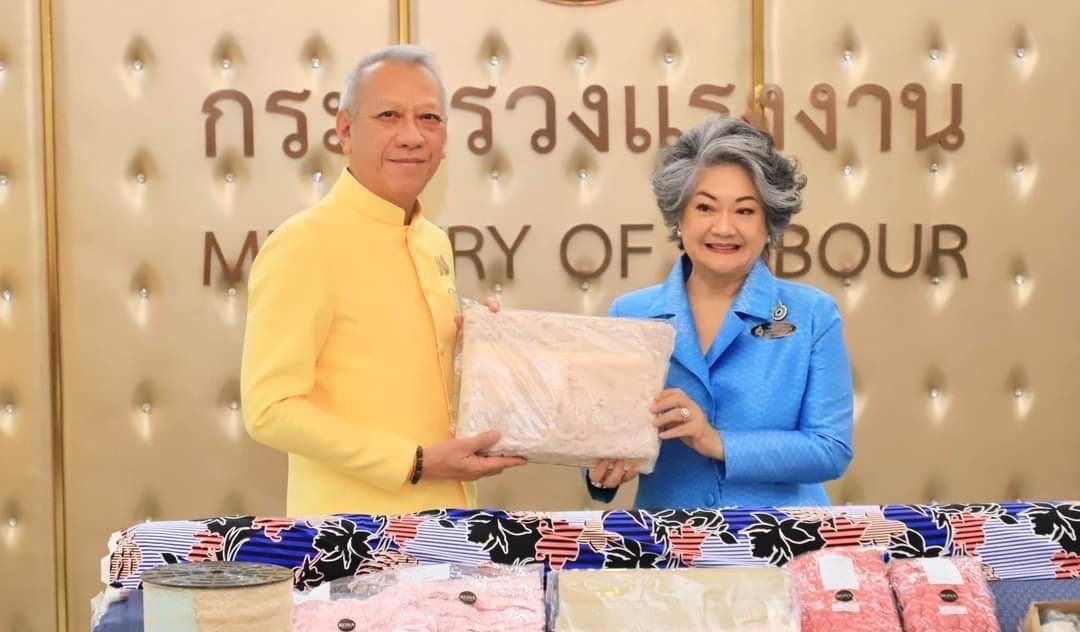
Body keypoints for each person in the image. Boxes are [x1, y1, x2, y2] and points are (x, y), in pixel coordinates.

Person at [241, 45, 523, 517]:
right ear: (345, 130)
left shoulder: (433, 241)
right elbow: (270, 409)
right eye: (389, 116)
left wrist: (485, 347)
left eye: (429, 118)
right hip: (353, 538)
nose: (412, 136)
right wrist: (413, 462)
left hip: (448, 527)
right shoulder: (305, 243)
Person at [587, 116, 854, 508]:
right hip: (671, 539)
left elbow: (830, 449)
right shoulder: (630, 313)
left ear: (769, 223)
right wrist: (603, 470)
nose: (724, 228)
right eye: (706, 208)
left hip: (783, 538)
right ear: (679, 217)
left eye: (745, 211)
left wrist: (714, 441)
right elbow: (602, 439)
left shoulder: (813, 314)